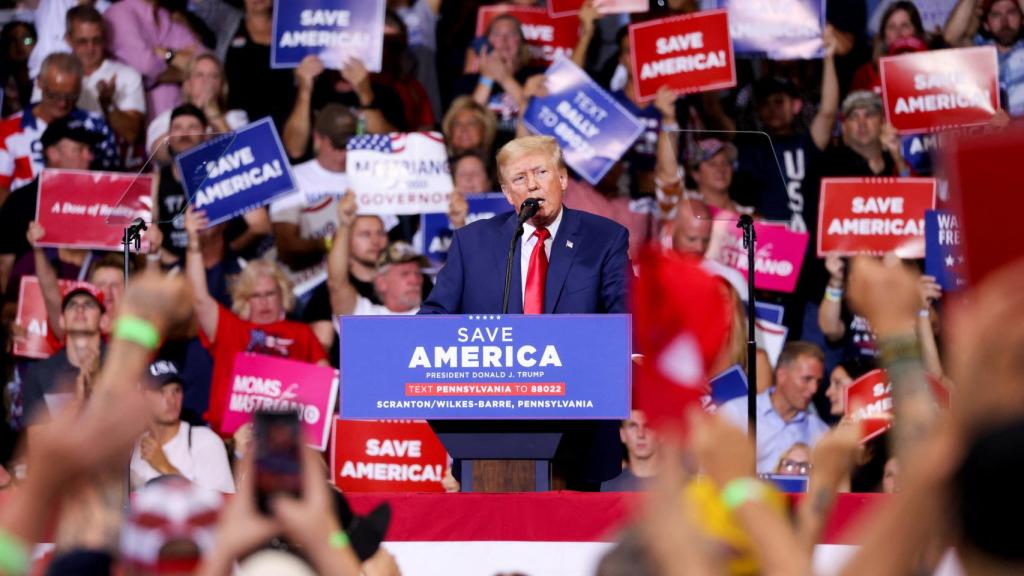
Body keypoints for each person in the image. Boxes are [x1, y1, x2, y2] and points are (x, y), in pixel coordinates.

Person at [421, 135, 631, 315]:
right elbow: (435, 316)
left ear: (563, 179)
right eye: (520, 178)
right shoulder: (471, 242)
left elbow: (627, 313)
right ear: (507, 194)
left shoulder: (604, 239)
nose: (532, 185)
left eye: (541, 173)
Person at [185, 208, 327, 435]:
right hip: (236, 438)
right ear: (244, 299)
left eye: (270, 294)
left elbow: (325, 384)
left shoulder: (302, 333)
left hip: (289, 437)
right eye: (256, 296)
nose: (264, 302)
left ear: (283, 295)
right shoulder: (230, 328)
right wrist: (193, 242)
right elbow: (199, 299)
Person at [0, 52, 118, 204]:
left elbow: (112, 180)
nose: (62, 104)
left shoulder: (95, 126)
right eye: (53, 95)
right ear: (39, 83)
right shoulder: (7, 131)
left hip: (82, 211)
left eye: (70, 97)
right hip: (25, 217)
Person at [0, 116, 101, 293]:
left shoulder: (101, 201)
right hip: (29, 306)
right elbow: (3, 267)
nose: (89, 156)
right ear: (53, 153)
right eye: (80, 149)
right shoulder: (21, 203)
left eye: (90, 149)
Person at [269, 103, 356, 294]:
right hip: (310, 282)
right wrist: (331, 241)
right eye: (337, 145)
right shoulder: (294, 179)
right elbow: (286, 247)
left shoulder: (366, 176)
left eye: (349, 144)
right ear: (318, 138)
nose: (344, 152)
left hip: (357, 275)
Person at [718, 341, 830, 474]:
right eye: (806, 379)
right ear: (782, 375)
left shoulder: (820, 432)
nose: (814, 389)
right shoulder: (737, 413)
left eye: (818, 381)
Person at [129, 360, 235, 493]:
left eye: (176, 390)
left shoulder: (205, 441)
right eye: (161, 391)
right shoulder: (131, 448)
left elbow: (223, 505)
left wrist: (166, 468)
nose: (171, 400)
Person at [53, 5, 146, 146]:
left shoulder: (127, 76)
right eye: (82, 41)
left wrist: (108, 105)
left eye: (96, 40)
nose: (90, 48)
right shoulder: (54, 74)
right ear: (68, 40)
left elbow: (131, 134)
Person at [327, 191, 425, 318]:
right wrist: (345, 225)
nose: (415, 280)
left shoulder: (440, 317)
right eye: (404, 274)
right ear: (381, 283)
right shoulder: (364, 316)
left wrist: (459, 224)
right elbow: (337, 284)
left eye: (418, 274)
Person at [103, 0, 204, 122]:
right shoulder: (119, 13)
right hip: (147, 125)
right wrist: (188, 73)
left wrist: (166, 53)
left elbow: (203, 60)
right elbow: (147, 65)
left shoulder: (165, 16)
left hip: (185, 118)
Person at [20, 284, 105, 428]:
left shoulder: (120, 364)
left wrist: (97, 382)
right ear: (61, 320)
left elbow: (130, 429)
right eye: (72, 305)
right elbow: (36, 444)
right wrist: (77, 403)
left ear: (103, 320)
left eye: (89, 304)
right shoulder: (39, 374)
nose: (80, 309)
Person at [146, 53, 250, 166]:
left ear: (222, 85)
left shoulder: (235, 117)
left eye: (214, 76)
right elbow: (158, 155)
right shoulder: (166, 117)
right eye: (200, 75)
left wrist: (214, 114)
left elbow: (244, 155)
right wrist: (193, 112)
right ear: (188, 82)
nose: (206, 81)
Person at [945, 0, 1024, 116]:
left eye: (1011, 13)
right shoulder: (979, 51)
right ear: (986, 25)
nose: (1005, 22)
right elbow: (951, 37)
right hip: (992, 131)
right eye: (996, 15)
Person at [601, 410, 659, 492]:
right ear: (622, 434)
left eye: (648, 425)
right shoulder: (609, 487)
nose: (641, 434)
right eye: (633, 426)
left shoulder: (678, 483)